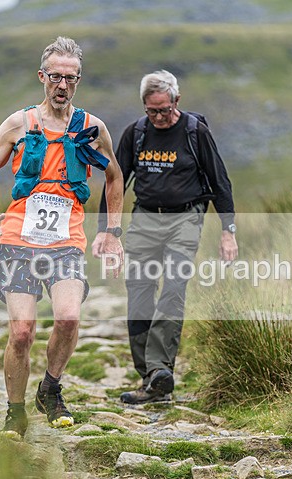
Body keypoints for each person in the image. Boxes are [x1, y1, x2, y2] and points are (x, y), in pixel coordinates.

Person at [0, 36, 125, 439]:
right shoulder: (18, 124)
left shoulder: (93, 128)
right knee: (21, 332)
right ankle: (14, 412)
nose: (62, 85)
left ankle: (51, 388)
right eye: (55, 77)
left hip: (66, 240)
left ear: (78, 81)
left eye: (70, 78)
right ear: (42, 77)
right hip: (19, 240)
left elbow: (114, 176)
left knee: (69, 317)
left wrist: (112, 232)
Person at [93, 70, 238, 404]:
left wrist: (228, 231)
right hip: (145, 216)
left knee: (173, 288)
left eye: (164, 110)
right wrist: (106, 230)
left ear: (177, 100)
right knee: (139, 292)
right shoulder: (137, 133)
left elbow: (220, 182)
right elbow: (116, 181)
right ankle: (152, 379)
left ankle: (160, 368)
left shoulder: (194, 131)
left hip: (185, 217)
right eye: (151, 111)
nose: (158, 117)